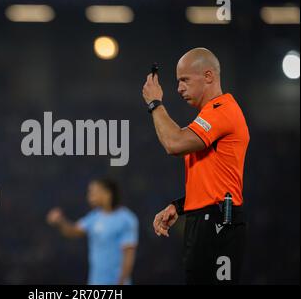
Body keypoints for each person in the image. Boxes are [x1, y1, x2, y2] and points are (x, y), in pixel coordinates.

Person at [142, 47, 249, 284]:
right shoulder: (209, 115)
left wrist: (155, 104)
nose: (179, 88)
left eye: (184, 80)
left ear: (208, 76)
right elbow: (212, 179)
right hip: (205, 220)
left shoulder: (223, 110)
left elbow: (174, 143)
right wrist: (180, 206)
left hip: (219, 223)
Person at [47, 178, 138, 285]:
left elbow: (128, 256)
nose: (90, 196)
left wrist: (121, 283)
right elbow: (73, 232)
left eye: (94, 192)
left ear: (107, 193)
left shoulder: (126, 219)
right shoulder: (94, 217)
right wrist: (60, 221)